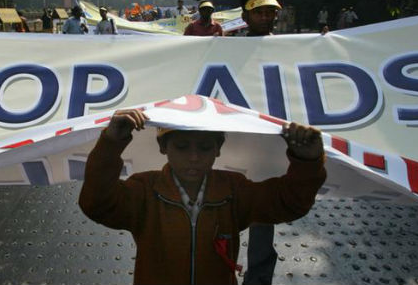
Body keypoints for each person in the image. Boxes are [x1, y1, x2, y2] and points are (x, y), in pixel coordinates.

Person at [79, 109, 326, 285]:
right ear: (163, 147)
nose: (194, 157)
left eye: (205, 147)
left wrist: (307, 161)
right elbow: (98, 203)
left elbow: (288, 202)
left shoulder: (234, 190)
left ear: (218, 149)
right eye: (182, 147)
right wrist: (110, 142)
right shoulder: (144, 189)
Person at [239, 0, 286, 284]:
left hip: (268, 146)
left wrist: (325, 44)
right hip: (234, 140)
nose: (266, 18)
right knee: (221, 209)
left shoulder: (290, 47)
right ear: (245, 17)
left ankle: (258, 279)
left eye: (271, 12)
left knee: (262, 219)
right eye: (260, 12)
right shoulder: (224, 47)